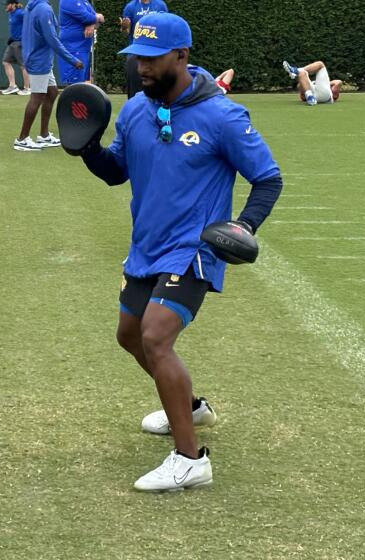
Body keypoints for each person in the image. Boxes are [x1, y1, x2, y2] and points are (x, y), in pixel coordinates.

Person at [73, 13, 283, 491]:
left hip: (193, 248)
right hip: (146, 244)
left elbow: (268, 178)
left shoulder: (223, 116)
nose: (140, 69)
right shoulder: (134, 111)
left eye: (151, 59)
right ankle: (189, 408)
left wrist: (242, 225)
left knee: (155, 338)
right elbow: (116, 172)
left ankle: (191, 459)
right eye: (136, 60)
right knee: (128, 335)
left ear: (181, 56)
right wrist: (87, 148)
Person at [13, 0, 81, 152]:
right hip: (39, 61)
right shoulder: (44, 9)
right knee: (37, 97)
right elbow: (52, 40)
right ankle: (22, 139)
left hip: (40, 58)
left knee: (52, 92)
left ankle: (43, 135)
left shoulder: (34, 6)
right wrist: (73, 60)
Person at [120, 0, 167, 98]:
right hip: (136, 53)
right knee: (134, 92)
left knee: (158, 90)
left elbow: (166, 26)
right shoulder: (130, 7)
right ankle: (134, 110)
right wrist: (124, 27)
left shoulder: (160, 5)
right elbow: (126, 33)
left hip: (156, 52)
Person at [58, 0, 103, 85]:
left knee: (81, 84)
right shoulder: (68, 1)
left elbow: (96, 19)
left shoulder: (84, 1)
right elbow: (89, 17)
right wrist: (98, 17)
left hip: (83, 48)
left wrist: (92, 24)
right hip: (73, 48)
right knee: (74, 85)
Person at [1, 0, 30, 95]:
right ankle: (12, 86)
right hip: (13, 42)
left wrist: (24, 37)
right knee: (6, 62)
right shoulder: (11, 13)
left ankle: (27, 88)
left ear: (13, 4)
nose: (5, 6)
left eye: (7, 4)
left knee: (23, 65)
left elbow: (30, 22)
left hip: (20, 43)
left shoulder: (21, 13)